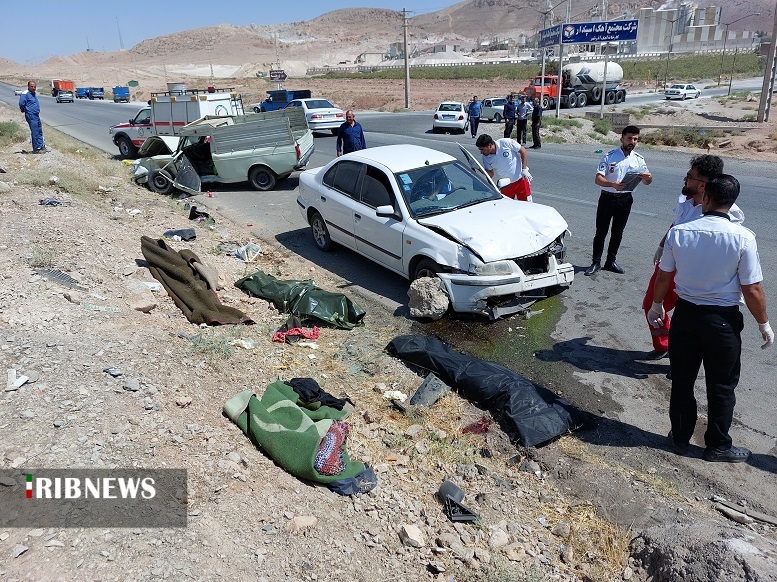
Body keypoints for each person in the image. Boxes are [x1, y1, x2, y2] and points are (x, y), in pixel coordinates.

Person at [648, 174, 773, 463]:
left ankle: (679, 438)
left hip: (686, 315)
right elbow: (751, 288)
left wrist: (657, 307)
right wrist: (763, 323)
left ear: (706, 198)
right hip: (722, 322)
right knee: (722, 385)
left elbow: (664, 276)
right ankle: (717, 445)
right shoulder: (744, 237)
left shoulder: (680, 232)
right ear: (732, 202)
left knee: (682, 381)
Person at [641, 155, 744, 358]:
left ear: (703, 185)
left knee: (688, 319)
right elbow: (676, 224)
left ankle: (682, 356)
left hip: (696, 272)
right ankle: (664, 345)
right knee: (651, 304)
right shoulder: (686, 200)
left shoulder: (729, 214)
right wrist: (662, 245)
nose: (684, 179)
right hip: (671, 264)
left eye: (690, 176)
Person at [584, 125, 652, 276]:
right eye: (629, 138)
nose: (632, 142)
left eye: (635, 139)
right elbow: (598, 179)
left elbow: (648, 181)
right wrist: (612, 184)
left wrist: (648, 178)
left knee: (618, 232)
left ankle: (610, 262)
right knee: (601, 232)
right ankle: (596, 262)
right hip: (607, 199)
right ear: (622, 139)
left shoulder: (639, 159)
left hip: (625, 200)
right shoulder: (609, 156)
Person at [475, 134, 533, 202]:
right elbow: (490, 174)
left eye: (482, 149)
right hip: (506, 185)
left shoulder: (505, 142)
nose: (481, 152)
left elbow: (523, 151)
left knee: (527, 205)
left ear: (490, 146)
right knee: (505, 207)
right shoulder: (485, 158)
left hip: (521, 180)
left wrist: (524, 169)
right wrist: (478, 168)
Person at [18, 80, 46, 154]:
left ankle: (41, 146)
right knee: (35, 131)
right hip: (31, 115)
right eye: (32, 86)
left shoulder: (33, 93)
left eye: (34, 87)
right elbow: (21, 103)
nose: (33, 88)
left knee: (39, 130)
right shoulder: (25, 93)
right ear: (28, 86)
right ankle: (36, 148)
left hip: (36, 115)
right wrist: (23, 109)